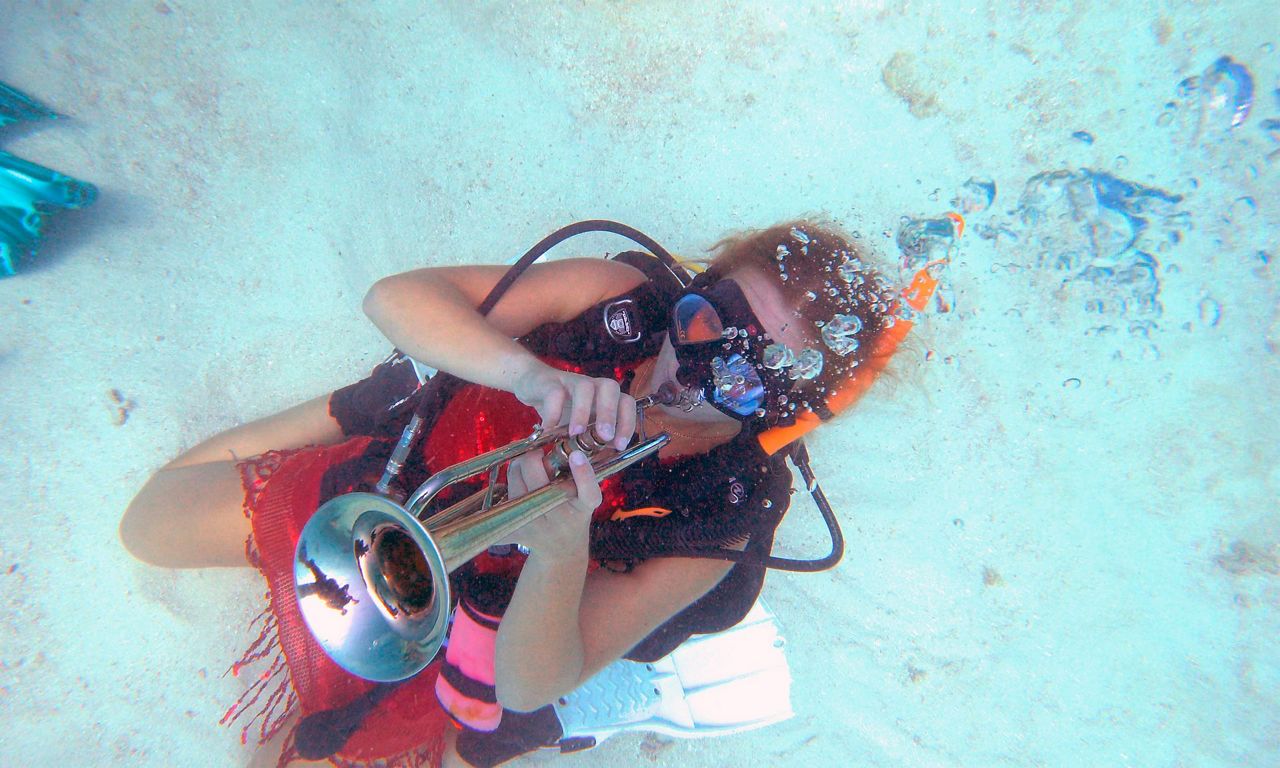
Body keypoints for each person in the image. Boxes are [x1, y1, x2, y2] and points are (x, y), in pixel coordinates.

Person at [120, 220, 918, 767]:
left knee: (481, 734)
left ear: (774, 408)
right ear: (697, 288)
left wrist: (562, 544)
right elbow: (393, 297)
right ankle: (355, 410)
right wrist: (526, 374)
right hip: (404, 492)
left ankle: (615, 695)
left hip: (511, 620)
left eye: (745, 373)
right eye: (713, 319)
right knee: (147, 527)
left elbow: (533, 673)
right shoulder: (618, 302)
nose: (693, 365)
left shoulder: (726, 510)